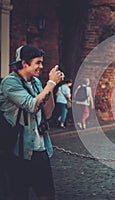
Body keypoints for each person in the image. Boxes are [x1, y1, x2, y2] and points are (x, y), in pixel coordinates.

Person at [0, 44, 64, 200]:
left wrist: (51, 89)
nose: (41, 67)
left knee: (47, 194)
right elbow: (31, 105)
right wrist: (51, 83)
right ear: (24, 63)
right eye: (38, 62)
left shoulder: (35, 82)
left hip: (41, 149)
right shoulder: (10, 83)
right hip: (19, 152)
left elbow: (47, 113)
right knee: (19, 195)